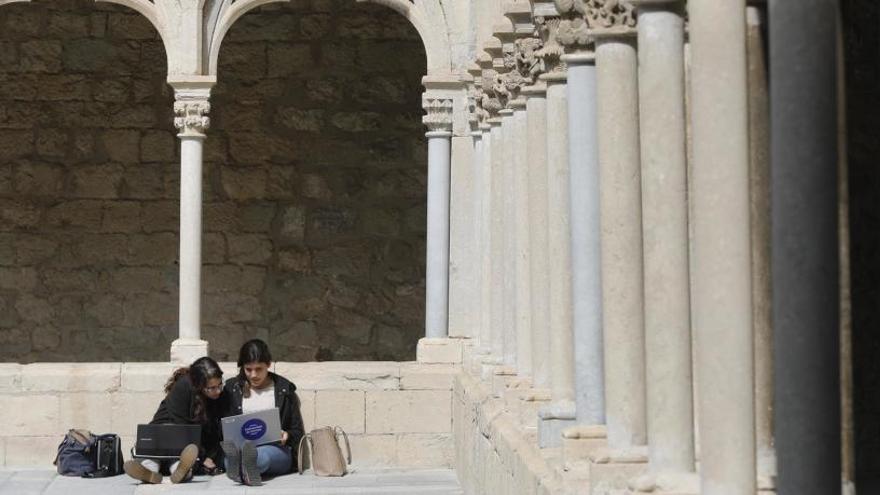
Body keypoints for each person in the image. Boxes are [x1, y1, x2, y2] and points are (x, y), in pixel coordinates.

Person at [123, 356, 226, 484]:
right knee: (153, 459)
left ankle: (181, 472)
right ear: (199, 386)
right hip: (165, 434)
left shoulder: (217, 396)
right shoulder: (184, 386)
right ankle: (148, 472)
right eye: (212, 388)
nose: (218, 391)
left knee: (180, 462)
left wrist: (208, 456)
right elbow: (182, 426)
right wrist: (203, 457)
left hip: (183, 446)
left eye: (219, 385)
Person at [221, 339, 305, 485]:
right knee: (229, 460)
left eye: (259, 369)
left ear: (268, 365)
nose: (253, 375)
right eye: (248, 369)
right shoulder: (232, 388)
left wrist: (287, 435)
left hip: (276, 450)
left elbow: (297, 430)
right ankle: (246, 472)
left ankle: (245, 469)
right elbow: (223, 426)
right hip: (240, 448)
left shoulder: (284, 389)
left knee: (262, 457)